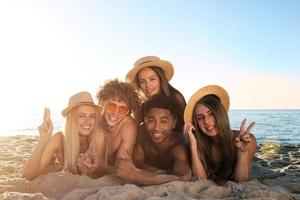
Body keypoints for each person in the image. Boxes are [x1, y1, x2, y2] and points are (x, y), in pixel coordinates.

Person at [22, 91, 105, 180]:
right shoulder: (59, 138)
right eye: (81, 116)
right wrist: (43, 139)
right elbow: (27, 176)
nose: (88, 121)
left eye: (92, 116)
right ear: (71, 118)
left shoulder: (98, 137)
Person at [183, 85, 257, 183]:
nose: (207, 121)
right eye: (200, 117)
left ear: (220, 113)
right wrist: (193, 146)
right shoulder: (197, 143)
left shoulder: (245, 140)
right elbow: (201, 181)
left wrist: (242, 153)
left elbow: (242, 181)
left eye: (211, 113)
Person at [115, 95, 191, 185]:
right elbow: (136, 163)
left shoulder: (178, 146)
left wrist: (138, 176)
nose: (156, 128)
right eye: (151, 120)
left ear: (173, 123)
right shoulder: (142, 133)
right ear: (145, 120)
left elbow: (182, 178)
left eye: (163, 121)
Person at [77, 79, 141, 176]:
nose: (115, 113)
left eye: (122, 109)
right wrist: (85, 159)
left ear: (128, 112)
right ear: (103, 103)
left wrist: (104, 168)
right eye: (112, 106)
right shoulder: (94, 118)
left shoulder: (128, 126)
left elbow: (123, 170)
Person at [126, 56, 186, 131]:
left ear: (161, 78)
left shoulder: (176, 97)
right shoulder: (143, 105)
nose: (147, 85)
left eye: (152, 79)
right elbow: (134, 128)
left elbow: (186, 126)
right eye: (142, 81)